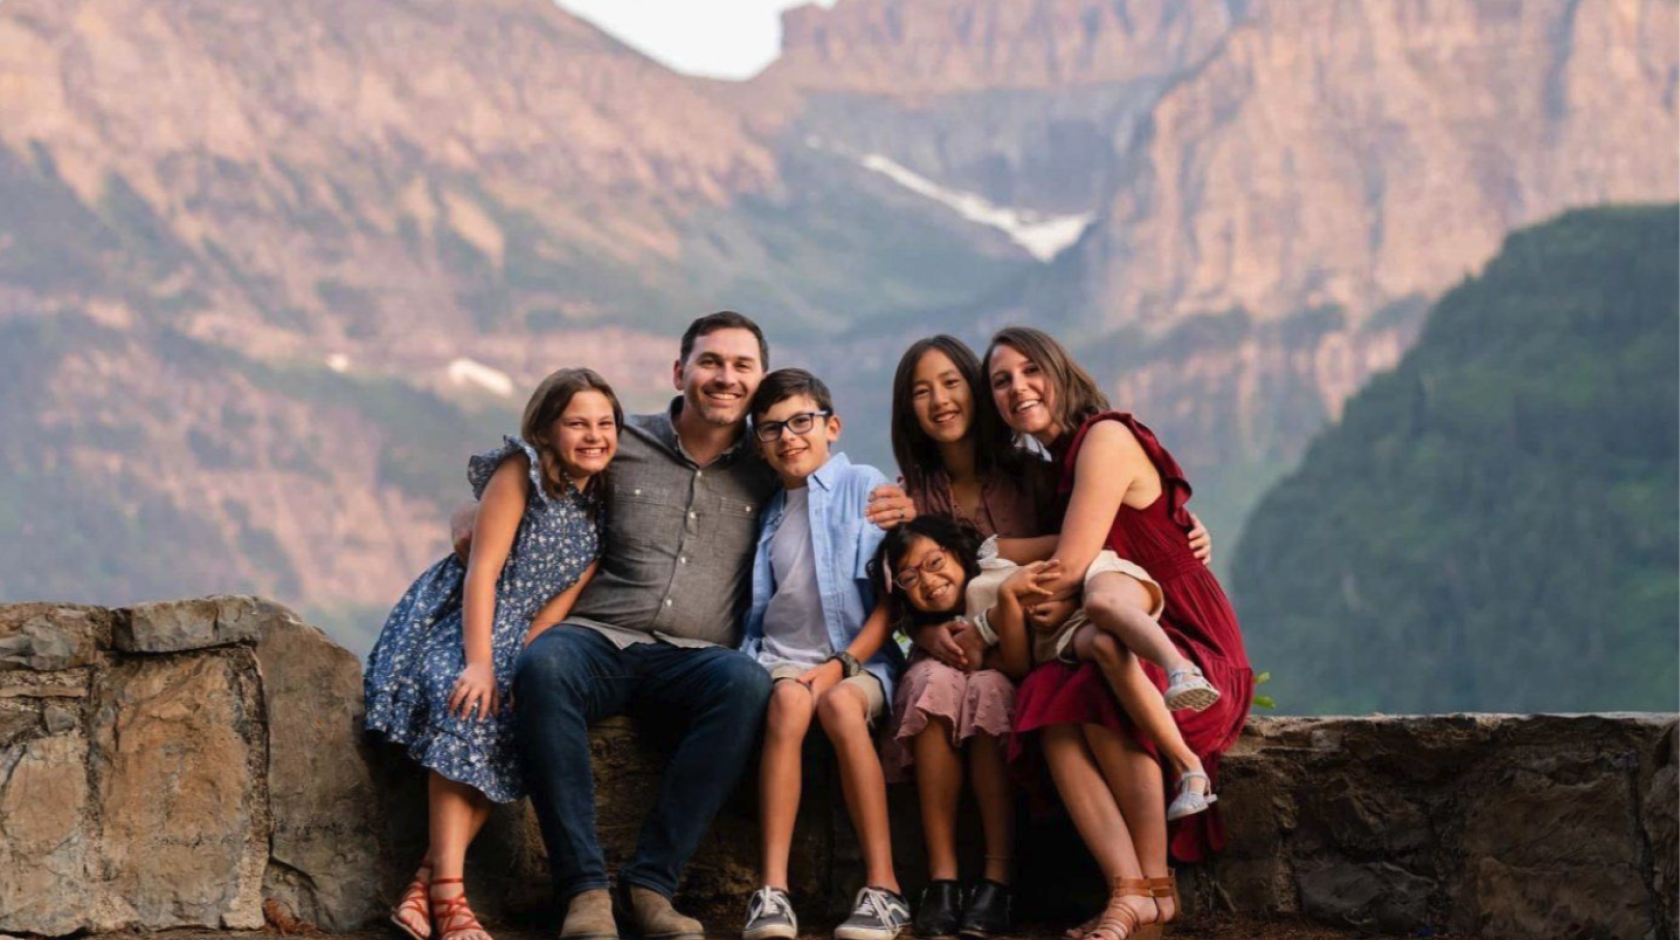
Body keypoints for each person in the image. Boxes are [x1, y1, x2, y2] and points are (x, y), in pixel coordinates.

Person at [473, 313, 918, 940]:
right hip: (598, 634)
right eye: (711, 362)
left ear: (758, 381)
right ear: (680, 372)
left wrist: (904, 507)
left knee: (743, 686)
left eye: (742, 366)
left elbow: (835, 487)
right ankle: (585, 891)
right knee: (543, 667)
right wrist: (470, 517)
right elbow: (540, 472)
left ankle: (651, 886)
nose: (725, 378)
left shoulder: (772, 462)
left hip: (696, 655)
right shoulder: (621, 442)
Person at [880, 336, 1213, 940]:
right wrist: (926, 633)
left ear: (978, 396)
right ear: (907, 409)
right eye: (921, 391)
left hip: (1033, 641)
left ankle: (1005, 883)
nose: (940, 400)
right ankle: (944, 879)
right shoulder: (909, 493)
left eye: (953, 383)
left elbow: (1096, 535)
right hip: (975, 644)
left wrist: (1182, 524)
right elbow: (896, 582)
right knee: (934, 684)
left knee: (1014, 687)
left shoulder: (1034, 475)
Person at [987, 326, 1254, 940]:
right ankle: (1132, 892)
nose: (1018, 388)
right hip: (1127, 629)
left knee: (1092, 692)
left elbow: (1073, 566)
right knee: (1046, 697)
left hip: (1185, 633)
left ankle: (1153, 892)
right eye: (1002, 381)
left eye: (1030, 371)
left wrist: (999, 567)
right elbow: (1083, 549)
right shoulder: (1061, 465)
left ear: (1061, 372)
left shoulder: (1103, 437)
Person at [365, 368, 622, 940]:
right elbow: (481, 573)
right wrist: (482, 662)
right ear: (549, 429)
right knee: (470, 706)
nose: (594, 436)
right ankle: (453, 903)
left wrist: (520, 662)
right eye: (577, 423)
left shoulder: (605, 500)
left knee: (515, 718)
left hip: (524, 634)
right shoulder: (521, 472)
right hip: (462, 617)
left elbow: (561, 603)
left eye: (605, 424)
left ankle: (423, 888)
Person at [739, 369, 911, 940]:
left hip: (858, 658)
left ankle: (884, 888)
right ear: (759, 444)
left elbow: (891, 602)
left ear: (830, 426)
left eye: (801, 422)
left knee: (839, 706)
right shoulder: (769, 514)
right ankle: (772, 890)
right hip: (784, 657)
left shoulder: (866, 486)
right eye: (771, 429)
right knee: (788, 708)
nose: (788, 436)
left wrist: (841, 665)